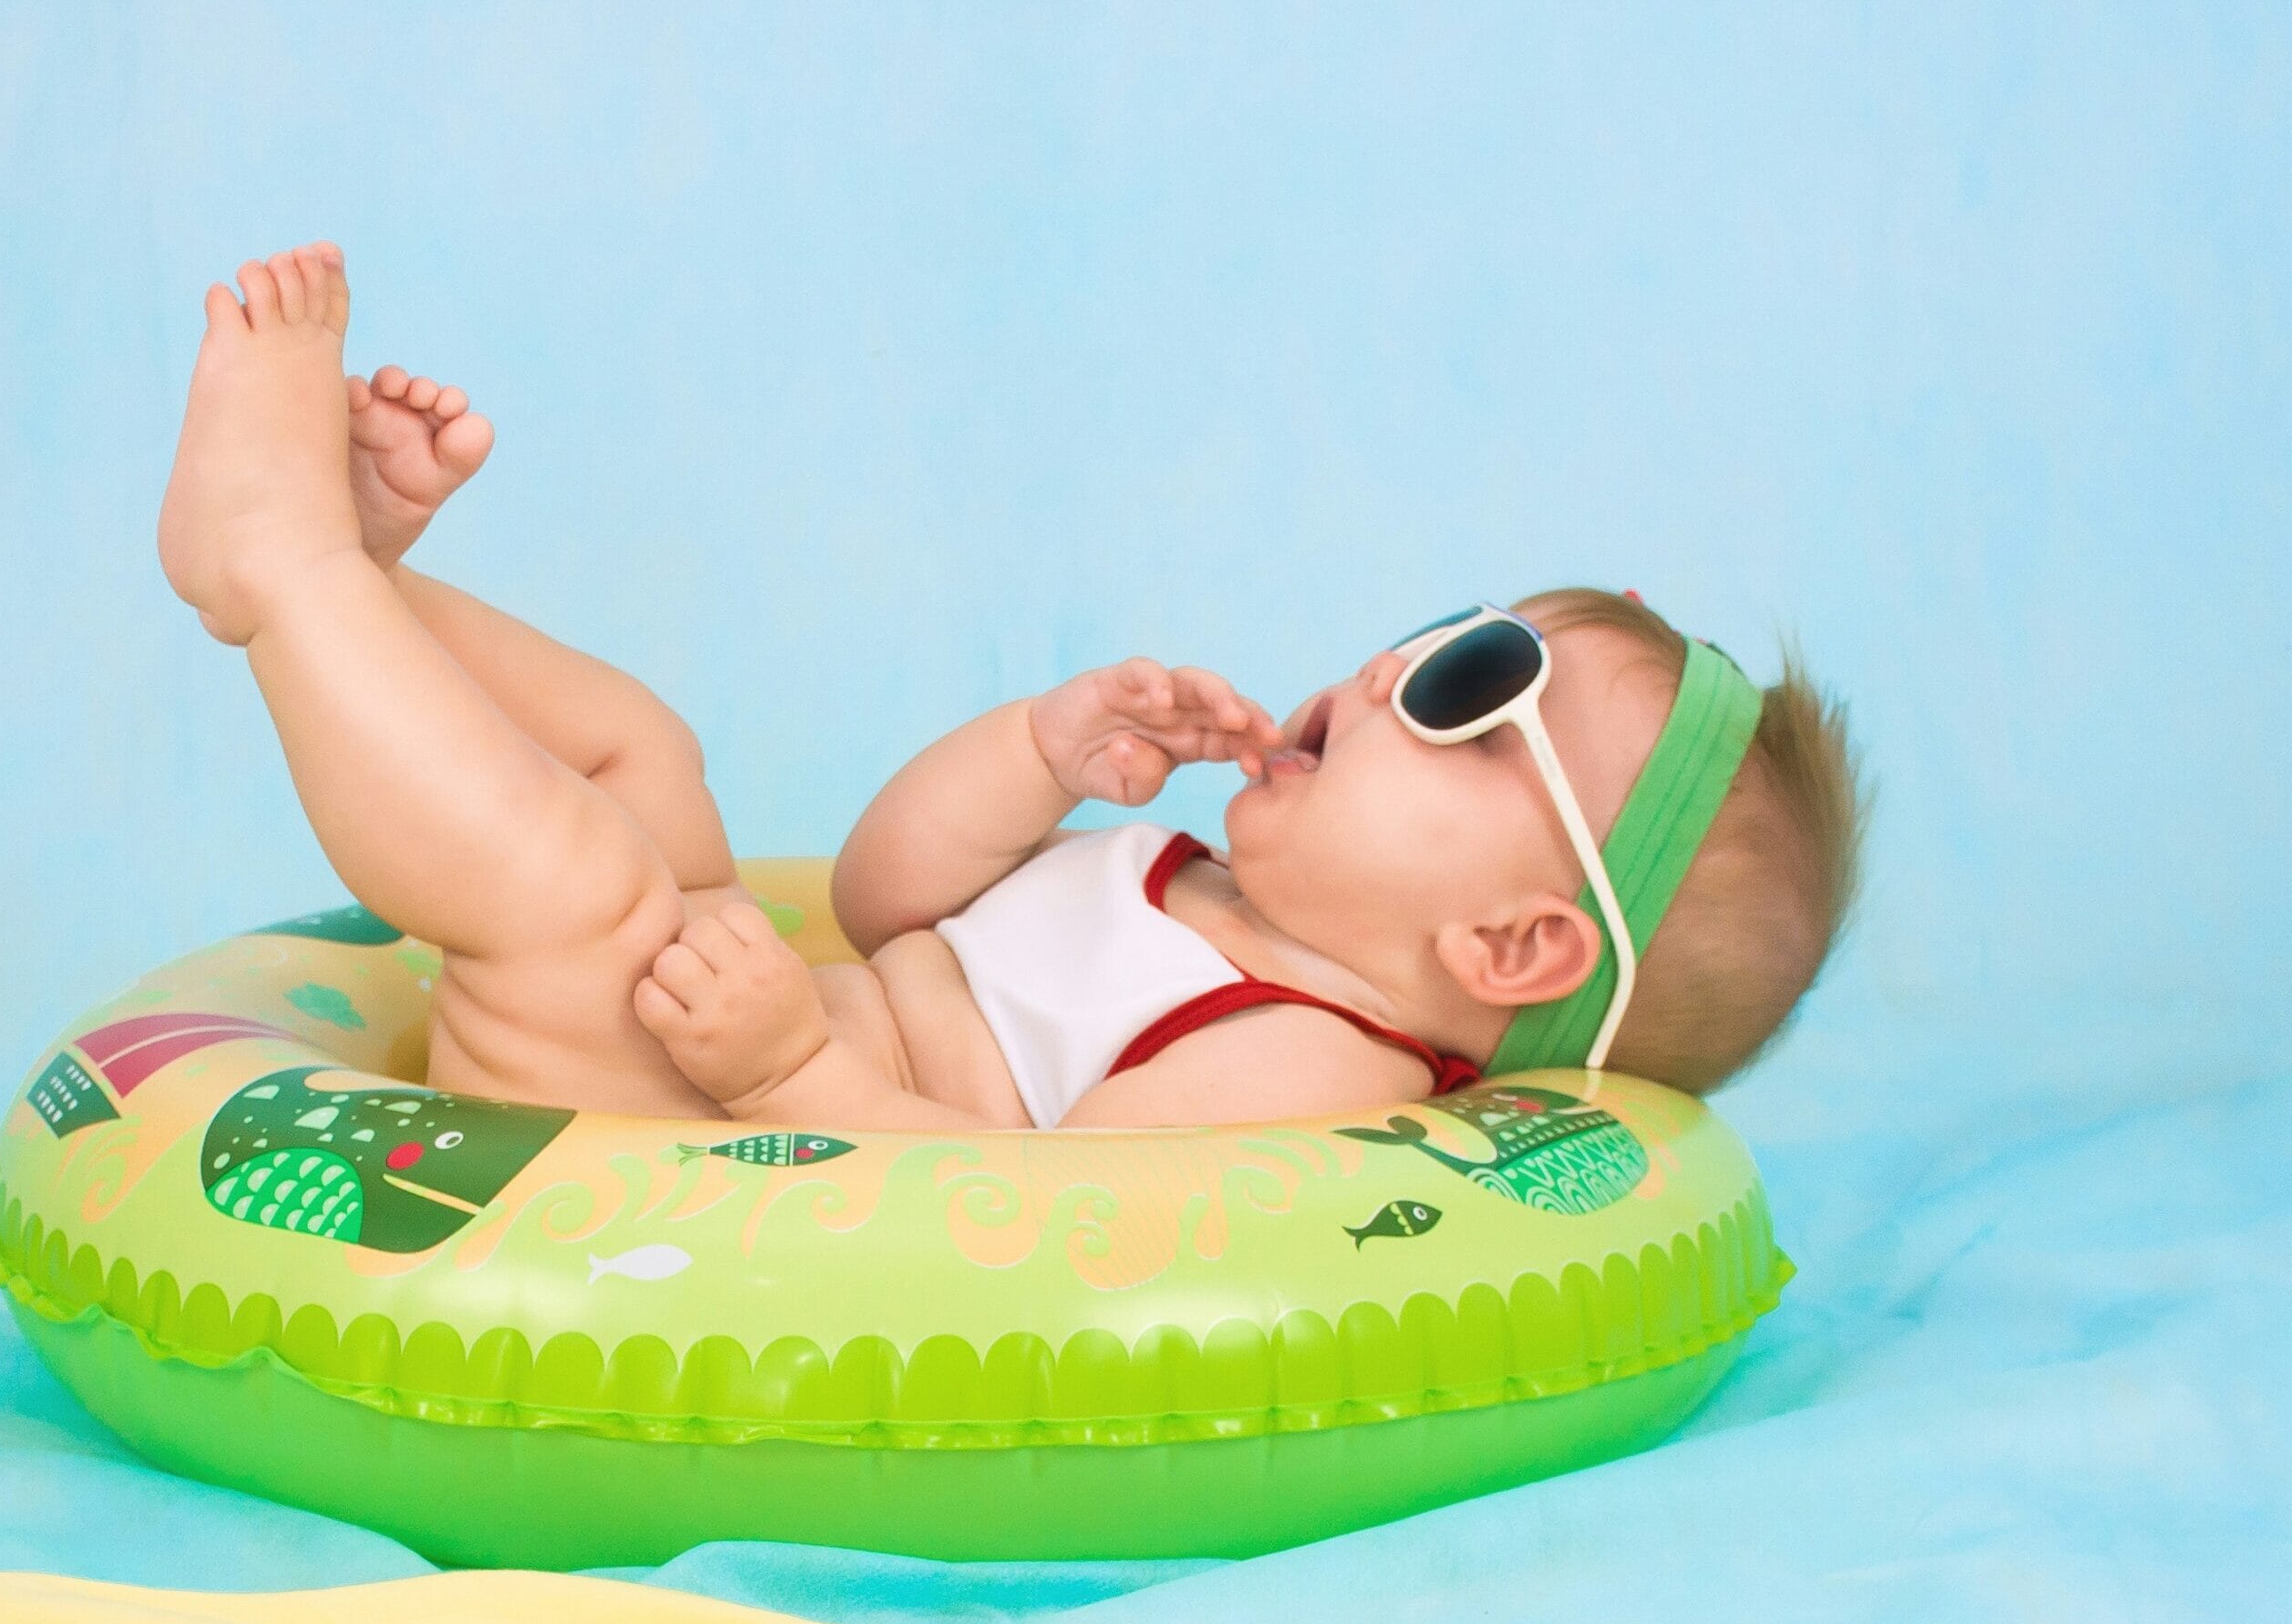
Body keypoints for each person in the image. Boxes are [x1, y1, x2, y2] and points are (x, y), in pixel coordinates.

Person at [157, 243, 1866, 1132]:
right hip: (739, 1028)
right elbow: (890, 896)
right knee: (644, 755)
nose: (1392, 662)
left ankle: (280, 570)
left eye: (1467, 692)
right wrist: (1042, 753)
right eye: (1444, 626)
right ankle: (369, 576)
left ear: (1510, 948)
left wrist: (779, 1080)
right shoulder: (1185, 885)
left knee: (579, 885)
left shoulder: (1300, 1065)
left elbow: (1020, 1222)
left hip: (682, 1121)